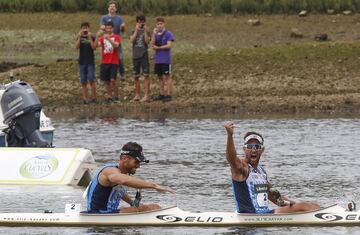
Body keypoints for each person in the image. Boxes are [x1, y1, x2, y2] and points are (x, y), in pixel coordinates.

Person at [224, 121, 320, 214]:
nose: (253, 149)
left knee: (312, 205)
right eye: (249, 146)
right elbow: (231, 158)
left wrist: (293, 204)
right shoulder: (241, 168)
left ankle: (323, 213)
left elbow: (276, 198)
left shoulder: (261, 172)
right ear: (244, 149)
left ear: (262, 150)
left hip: (264, 216)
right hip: (249, 215)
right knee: (305, 207)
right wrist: (230, 136)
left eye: (257, 146)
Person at [86, 142, 175, 213]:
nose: (138, 166)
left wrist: (132, 203)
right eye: (136, 162)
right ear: (125, 158)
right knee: (146, 208)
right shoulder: (110, 171)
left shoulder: (124, 172)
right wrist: (155, 186)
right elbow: (123, 180)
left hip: (109, 213)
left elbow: (119, 191)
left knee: (153, 207)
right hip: (98, 213)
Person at [95, 21, 121, 103]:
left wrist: (108, 39)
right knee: (106, 81)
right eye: (107, 28)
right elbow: (96, 46)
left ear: (113, 28)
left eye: (110, 28)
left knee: (113, 80)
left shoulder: (116, 36)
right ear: (105, 29)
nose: (109, 30)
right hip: (105, 61)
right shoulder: (102, 38)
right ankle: (109, 96)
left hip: (114, 61)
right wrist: (97, 37)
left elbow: (116, 46)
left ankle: (116, 96)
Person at [100, 0, 126, 81]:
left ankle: (122, 73)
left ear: (116, 9)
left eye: (113, 7)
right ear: (108, 8)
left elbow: (122, 30)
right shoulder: (104, 17)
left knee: (120, 58)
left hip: (116, 40)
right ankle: (106, 74)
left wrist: (123, 27)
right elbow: (101, 27)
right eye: (110, 6)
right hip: (107, 41)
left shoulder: (119, 18)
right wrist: (103, 27)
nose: (112, 8)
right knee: (106, 58)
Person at [150, 17, 175, 102]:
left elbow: (169, 45)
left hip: (166, 60)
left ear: (164, 24)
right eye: (158, 24)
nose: (159, 26)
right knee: (159, 77)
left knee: (167, 77)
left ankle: (168, 94)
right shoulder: (156, 34)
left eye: (161, 24)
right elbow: (152, 45)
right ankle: (161, 94)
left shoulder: (168, 33)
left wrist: (159, 48)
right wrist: (153, 34)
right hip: (158, 60)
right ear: (156, 25)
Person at [130, 14, 151, 102]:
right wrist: (136, 30)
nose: (141, 24)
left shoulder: (147, 31)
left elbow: (147, 42)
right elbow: (132, 41)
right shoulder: (133, 30)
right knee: (136, 76)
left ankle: (146, 95)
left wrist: (145, 31)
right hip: (135, 55)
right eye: (139, 22)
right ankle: (137, 95)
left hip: (144, 55)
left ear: (145, 22)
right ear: (136, 22)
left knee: (146, 75)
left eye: (142, 22)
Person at [75, 22, 96, 104]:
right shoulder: (79, 37)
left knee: (91, 79)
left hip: (90, 61)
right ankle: (85, 98)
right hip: (82, 61)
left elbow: (94, 47)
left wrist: (90, 37)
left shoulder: (92, 37)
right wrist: (79, 37)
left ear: (89, 28)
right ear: (81, 29)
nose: (85, 30)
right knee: (83, 81)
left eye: (86, 28)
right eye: (83, 28)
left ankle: (93, 98)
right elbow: (76, 47)